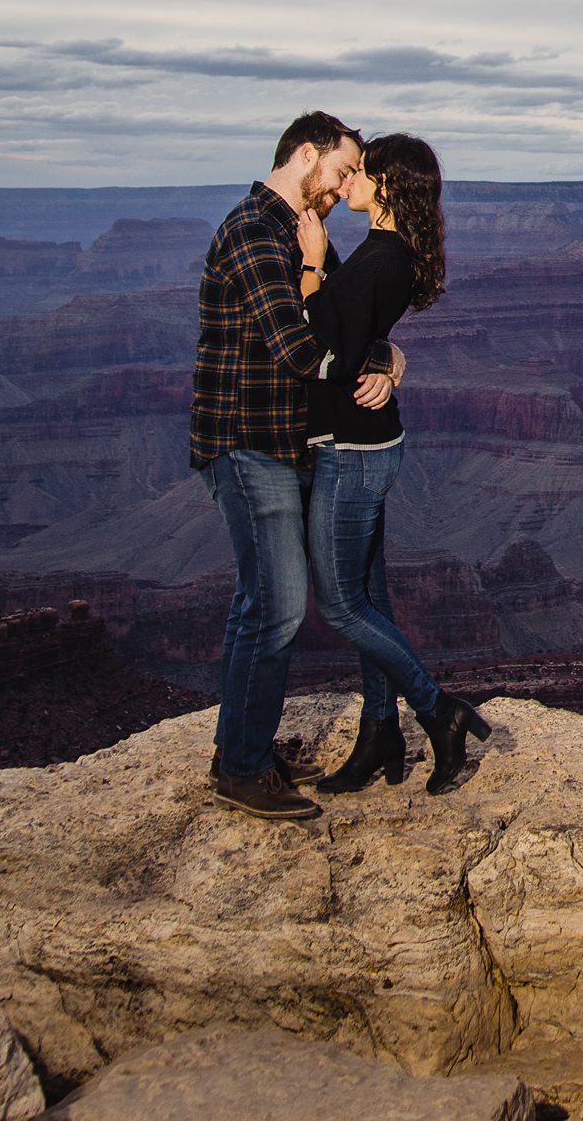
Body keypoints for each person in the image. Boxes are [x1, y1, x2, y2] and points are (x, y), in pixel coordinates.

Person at [187, 110, 370, 819]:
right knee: (280, 605)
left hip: (285, 443)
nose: (347, 185)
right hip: (247, 445)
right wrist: (316, 265)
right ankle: (241, 769)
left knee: (258, 603)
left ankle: (243, 749)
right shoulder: (254, 232)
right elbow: (300, 348)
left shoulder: (301, 233)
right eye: (343, 169)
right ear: (304, 155)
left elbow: (349, 321)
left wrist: (391, 358)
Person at [301, 131, 492, 794]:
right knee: (371, 595)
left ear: (386, 185)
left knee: (341, 604)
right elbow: (367, 339)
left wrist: (312, 265)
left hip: (352, 451)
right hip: (368, 443)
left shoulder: (379, 258)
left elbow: (327, 350)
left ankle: (438, 710)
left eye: (362, 171)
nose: (349, 178)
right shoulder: (388, 253)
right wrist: (388, 357)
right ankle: (380, 732)